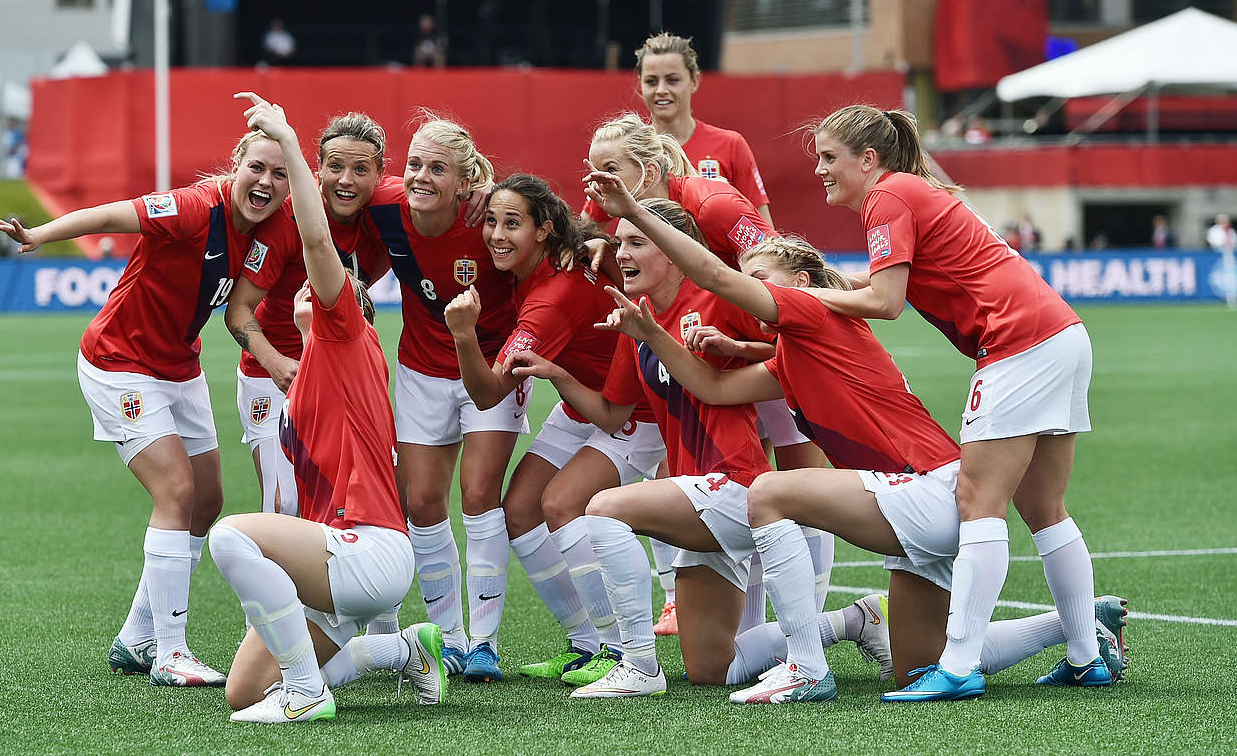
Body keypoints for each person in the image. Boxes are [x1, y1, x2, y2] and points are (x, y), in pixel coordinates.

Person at [575, 169, 1129, 702]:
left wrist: (635, 215)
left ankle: (806, 667)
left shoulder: (812, 315)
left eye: (760, 278)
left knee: (770, 492)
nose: (749, 288)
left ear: (801, 284)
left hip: (931, 491)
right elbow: (714, 389)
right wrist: (652, 333)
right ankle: (1075, 624)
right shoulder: (791, 352)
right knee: (918, 664)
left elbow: (715, 278)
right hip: (921, 498)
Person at [804, 104, 1107, 700]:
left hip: (1020, 341)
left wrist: (798, 300)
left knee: (977, 502)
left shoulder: (886, 196)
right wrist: (816, 294)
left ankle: (961, 666)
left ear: (868, 160)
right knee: (1044, 506)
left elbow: (886, 301)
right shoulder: (906, 190)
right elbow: (878, 289)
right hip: (1060, 332)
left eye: (828, 157)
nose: (819, 169)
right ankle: (1085, 655)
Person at [0, 117, 293, 687]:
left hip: (179, 365)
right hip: (118, 363)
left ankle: (136, 637)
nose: (267, 181)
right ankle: (170, 652)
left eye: (280, 174)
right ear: (236, 165)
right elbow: (112, 214)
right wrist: (40, 235)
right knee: (176, 492)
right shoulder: (193, 208)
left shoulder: (272, 229)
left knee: (207, 501)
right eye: (256, 166)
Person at [207, 93, 447, 724]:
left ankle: (308, 695)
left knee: (230, 535)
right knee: (243, 690)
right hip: (348, 557)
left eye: (324, 291)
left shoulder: (345, 338)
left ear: (352, 307)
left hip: (364, 553)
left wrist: (286, 135)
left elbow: (316, 237)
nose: (308, 295)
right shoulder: (314, 369)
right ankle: (397, 650)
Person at [584, 112, 829, 632]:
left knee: (794, 481)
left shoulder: (713, 202)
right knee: (691, 473)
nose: (595, 186)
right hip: (701, 340)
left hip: (756, 336)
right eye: (591, 171)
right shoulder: (623, 212)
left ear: (647, 171)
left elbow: (769, 267)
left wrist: (744, 339)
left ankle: (804, 631)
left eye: (607, 171)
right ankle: (754, 624)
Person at [444, 173, 633, 684]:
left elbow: (488, 393)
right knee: (521, 510)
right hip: (583, 403)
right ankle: (586, 644)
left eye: (513, 224)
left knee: (557, 504)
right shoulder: (564, 260)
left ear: (545, 229)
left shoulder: (549, 300)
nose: (497, 235)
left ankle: (620, 652)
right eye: (491, 222)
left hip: (633, 414)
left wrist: (463, 336)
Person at [365, 113, 528, 678]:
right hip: (420, 369)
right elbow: (328, 197)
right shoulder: (384, 205)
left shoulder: (490, 216)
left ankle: (484, 644)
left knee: (480, 493)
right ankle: (450, 637)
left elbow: (546, 229)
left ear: (465, 182)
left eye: (438, 168)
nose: (421, 177)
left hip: (494, 365)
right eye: (414, 164)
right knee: (422, 503)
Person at [225, 113, 393, 521]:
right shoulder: (287, 220)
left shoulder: (392, 216)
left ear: (380, 174)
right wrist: (276, 363)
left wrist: (477, 191)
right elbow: (238, 310)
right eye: (335, 167)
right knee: (284, 503)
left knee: (346, 497)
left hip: (342, 376)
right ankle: (274, 584)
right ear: (317, 169)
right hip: (276, 372)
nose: (345, 180)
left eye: (359, 169)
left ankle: (332, 582)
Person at [632, 32, 772, 224]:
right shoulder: (629, 150)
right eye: (651, 81)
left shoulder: (731, 144)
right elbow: (589, 226)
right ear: (640, 84)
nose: (661, 90)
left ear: (694, 81)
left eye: (672, 80)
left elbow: (763, 230)